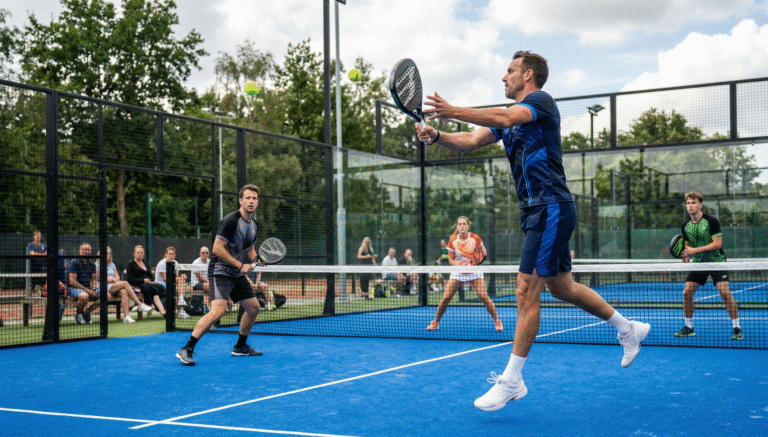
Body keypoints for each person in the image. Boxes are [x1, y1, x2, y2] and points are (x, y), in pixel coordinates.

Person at [415, 50, 650, 411]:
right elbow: (470, 141)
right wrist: (436, 135)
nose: (503, 77)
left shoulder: (540, 102)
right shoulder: (505, 121)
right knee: (562, 287)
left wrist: (452, 109)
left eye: (509, 71)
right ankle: (627, 328)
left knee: (525, 291)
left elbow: (508, 115)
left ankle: (512, 380)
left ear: (527, 75)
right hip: (537, 210)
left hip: (550, 206)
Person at [176, 184, 265, 366]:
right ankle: (187, 348)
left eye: (254, 198)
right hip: (220, 272)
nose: (251, 201)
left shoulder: (254, 225)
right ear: (240, 200)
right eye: (247, 198)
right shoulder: (231, 220)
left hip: (237, 273)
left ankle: (240, 346)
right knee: (218, 311)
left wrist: (256, 259)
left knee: (253, 307)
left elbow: (249, 251)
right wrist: (241, 265)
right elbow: (217, 248)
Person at [675, 192, 742, 340]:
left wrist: (694, 250)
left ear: (700, 205)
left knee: (724, 292)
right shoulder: (685, 226)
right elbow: (688, 247)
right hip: (699, 263)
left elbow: (718, 244)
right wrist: (686, 255)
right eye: (688, 203)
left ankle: (736, 327)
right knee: (686, 293)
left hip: (716, 261)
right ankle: (689, 327)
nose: (690, 206)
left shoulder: (711, 221)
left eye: (693, 203)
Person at [426, 217, 501, 331]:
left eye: (464, 224)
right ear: (457, 226)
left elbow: (483, 252)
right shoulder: (452, 241)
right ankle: (435, 322)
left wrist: (477, 260)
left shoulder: (475, 238)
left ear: (468, 226)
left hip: (474, 272)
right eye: (460, 224)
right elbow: (451, 259)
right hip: (458, 273)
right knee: (446, 297)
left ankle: (497, 321)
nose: (462, 226)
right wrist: (459, 267)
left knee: (483, 296)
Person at [96, 247, 153, 323]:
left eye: (109, 253)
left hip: (113, 286)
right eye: (106, 253)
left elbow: (118, 277)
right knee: (125, 283)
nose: (108, 255)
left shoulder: (112, 264)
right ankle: (140, 304)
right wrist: (113, 279)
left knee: (124, 291)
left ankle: (126, 316)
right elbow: (102, 279)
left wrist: (112, 279)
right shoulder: (97, 265)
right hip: (103, 288)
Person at [125, 245, 167, 317]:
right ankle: (153, 307)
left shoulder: (146, 264)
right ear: (134, 253)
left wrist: (149, 280)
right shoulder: (130, 264)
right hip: (136, 287)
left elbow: (151, 277)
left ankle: (160, 309)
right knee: (150, 287)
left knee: (161, 287)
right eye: (138, 253)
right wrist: (143, 280)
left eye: (141, 253)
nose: (140, 254)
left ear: (143, 253)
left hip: (149, 284)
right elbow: (129, 279)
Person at [67, 242, 99, 324]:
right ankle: (79, 314)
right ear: (79, 251)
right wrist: (88, 291)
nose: (86, 251)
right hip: (73, 289)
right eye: (84, 249)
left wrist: (94, 289)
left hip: (88, 289)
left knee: (106, 295)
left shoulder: (92, 263)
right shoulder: (74, 262)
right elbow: (72, 282)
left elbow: (93, 279)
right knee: (84, 296)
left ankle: (87, 312)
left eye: (88, 250)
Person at [155, 246, 190, 319]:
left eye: (173, 254)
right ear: (165, 255)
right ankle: (181, 308)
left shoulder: (175, 263)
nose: (171, 256)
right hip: (161, 285)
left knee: (182, 285)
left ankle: (181, 302)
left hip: (171, 283)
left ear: (175, 255)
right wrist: (180, 278)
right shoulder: (162, 263)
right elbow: (165, 279)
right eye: (169, 254)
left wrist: (181, 277)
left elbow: (176, 276)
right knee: (179, 285)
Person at [26, 230, 47, 295]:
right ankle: (27, 299)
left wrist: (37, 255)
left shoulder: (44, 245)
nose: (38, 237)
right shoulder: (30, 245)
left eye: (39, 235)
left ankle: (44, 299)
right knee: (32, 284)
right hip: (34, 268)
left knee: (43, 285)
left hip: (43, 268)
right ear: (34, 236)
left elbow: (47, 254)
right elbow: (31, 254)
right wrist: (42, 255)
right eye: (37, 235)